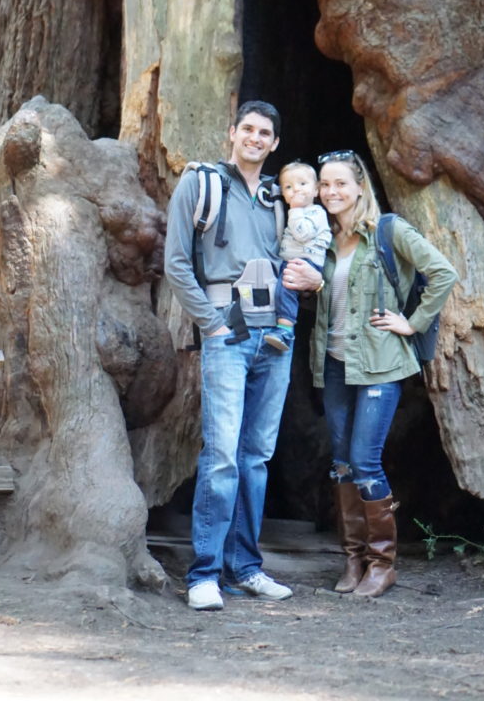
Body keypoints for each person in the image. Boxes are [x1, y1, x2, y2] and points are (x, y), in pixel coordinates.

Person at [284, 149, 457, 598]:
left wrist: (411, 322)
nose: (331, 191)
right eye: (324, 184)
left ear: (360, 186)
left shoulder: (387, 231)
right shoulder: (321, 241)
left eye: (341, 183)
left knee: (364, 461)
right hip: (336, 365)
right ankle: (353, 560)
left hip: (381, 365)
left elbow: (442, 272)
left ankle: (383, 563)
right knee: (341, 466)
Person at [164, 101, 295, 611]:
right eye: (248, 129)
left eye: (265, 132)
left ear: (274, 143)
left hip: (275, 339)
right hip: (227, 331)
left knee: (256, 457)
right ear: (232, 134)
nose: (255, 138)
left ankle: (245, 568)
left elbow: (294, 260)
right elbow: (176, 263)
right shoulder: (201, 184)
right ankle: (204, 574)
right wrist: (212, 323)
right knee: (221, 456)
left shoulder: (277, 195)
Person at [263, 161, 332, 353]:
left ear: (316, 190)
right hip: (293, 260)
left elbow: (302, 233)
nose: (296, 190)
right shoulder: (297, 213)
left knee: (286, 290)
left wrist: (294, 210)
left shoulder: (316, 213)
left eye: (303, 184)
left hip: (306, 263)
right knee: (280, 290)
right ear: (283, 195)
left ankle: (285, 330)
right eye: (288, 187)